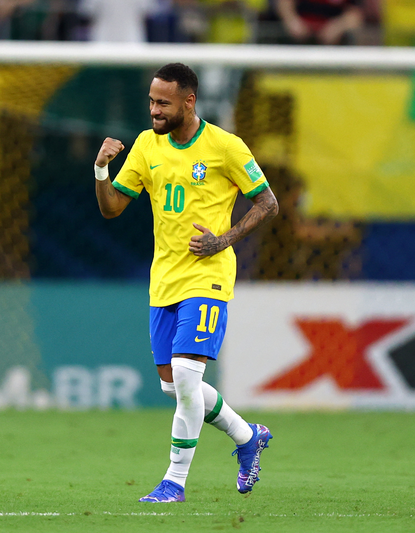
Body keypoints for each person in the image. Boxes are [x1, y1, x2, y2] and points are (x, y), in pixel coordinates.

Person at [92, 63, 279, 502]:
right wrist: (101, 170)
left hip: (208, 276)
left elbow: (267, 203)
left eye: (163, 103)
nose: (154, 110)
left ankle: (174, 481)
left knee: (186, 375)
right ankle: (247, 435)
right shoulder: (145, 144)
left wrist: (225, 240)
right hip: (165, 279)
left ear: (189, 101)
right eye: (152, 101)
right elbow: (112, 208)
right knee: (173, 384)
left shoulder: (224, 146)